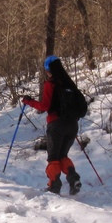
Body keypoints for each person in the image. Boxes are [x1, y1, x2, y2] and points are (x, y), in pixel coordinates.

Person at [21, 56, 82, 195]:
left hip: (56, 126)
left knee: (53, 158)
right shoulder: (69, 83)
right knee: (63, 155)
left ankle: (54, 185)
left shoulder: (50, 84)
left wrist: (29, 101)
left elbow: (44, 106)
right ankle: (74, 180)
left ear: (48, 70)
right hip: (72, 125)